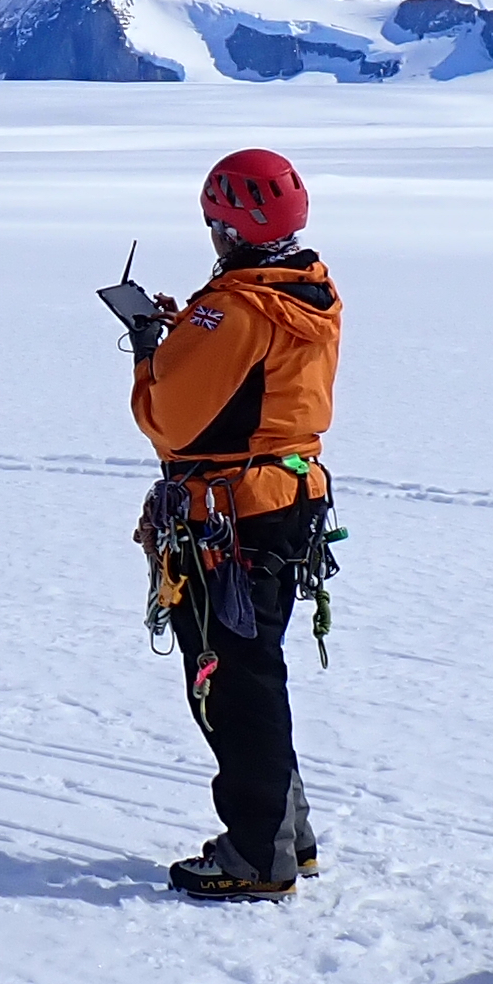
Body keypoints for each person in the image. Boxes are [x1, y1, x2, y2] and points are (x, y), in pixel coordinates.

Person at [123, 147, 343, 901]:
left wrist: (154, 353)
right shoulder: (307, 288)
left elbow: (171, 425)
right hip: (288, 499)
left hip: (231, 518)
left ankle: (258, 854)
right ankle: (286, 836)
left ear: (227, 225)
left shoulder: (238, 307)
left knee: (228, 681)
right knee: (254, 672)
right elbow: (253, 381)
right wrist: (194, 335)